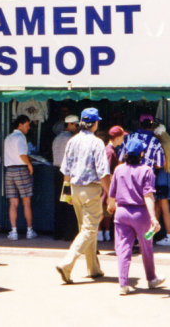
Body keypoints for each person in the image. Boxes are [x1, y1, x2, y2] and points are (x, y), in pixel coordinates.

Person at [56, 108, 112, 284]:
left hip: (74, 188)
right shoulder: (97, 143)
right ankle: (67, 263)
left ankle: (93, 268)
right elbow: (103, 172)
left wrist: (67, 193)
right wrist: (111, 195)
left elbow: (66, 169)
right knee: (89, 229)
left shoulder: (72, 141)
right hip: (91, 190)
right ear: (95, 124)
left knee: (86, 229)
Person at [107, 136, 166, 295]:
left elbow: (111, 194)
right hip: (141, 215)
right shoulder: (147, 170)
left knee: (123, 248)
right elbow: (148, 196)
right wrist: (153, 217)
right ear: (141, 154)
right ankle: (151, 279)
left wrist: (111, 206)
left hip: (121, 214)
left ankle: (123, 284)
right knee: (146, 247)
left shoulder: (118, 169)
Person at [4, 114, 37, 240]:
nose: (28, 128)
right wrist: (29, 165)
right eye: (27, 125)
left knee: (13, 203)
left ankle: (13, 232)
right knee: (27, 202)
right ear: (20, 125)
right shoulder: (21, 137)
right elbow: (22, 154)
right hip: (21, 169)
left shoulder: (8, 137)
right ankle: (29, 231)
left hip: (9, 170)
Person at [53, 114, 81, 241]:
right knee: (70, 204)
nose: (77, 127)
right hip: (67, 174)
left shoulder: (56, 138)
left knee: (59, 204)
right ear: (69, 124)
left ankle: (58, 233)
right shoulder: (71, 140)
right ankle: (70, 234)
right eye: (76, 125)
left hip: (57, 171)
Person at [98, 125, 126, 242]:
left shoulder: (111, 150)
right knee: (101, 213)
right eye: (122, 137)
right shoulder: (110, 151)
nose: (123, 139)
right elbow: (107, 173)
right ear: (117, 137)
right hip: (106, 188)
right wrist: (110, 193)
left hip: (106, 187)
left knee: (103, 213)